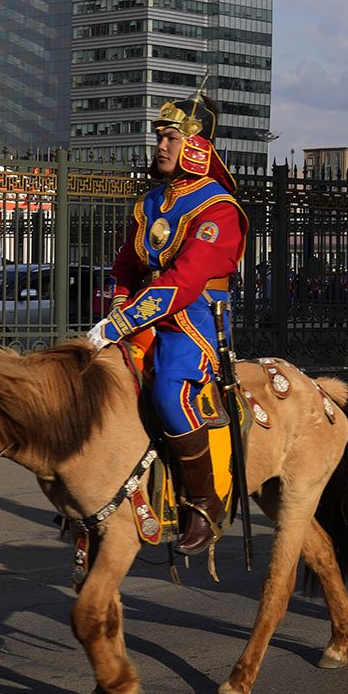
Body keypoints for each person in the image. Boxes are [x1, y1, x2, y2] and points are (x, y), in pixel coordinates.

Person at [87, 91, 247, 554]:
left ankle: (204, 502)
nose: (161, 145)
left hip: (194, 319)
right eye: (159, 136)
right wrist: (118, 310)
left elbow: (185, 281)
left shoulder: (218, 208)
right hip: (146, 312)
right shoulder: (151, 203)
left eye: (172, 137)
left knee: (170, 390)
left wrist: (123, 322)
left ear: (197, 146)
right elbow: (125, 270)